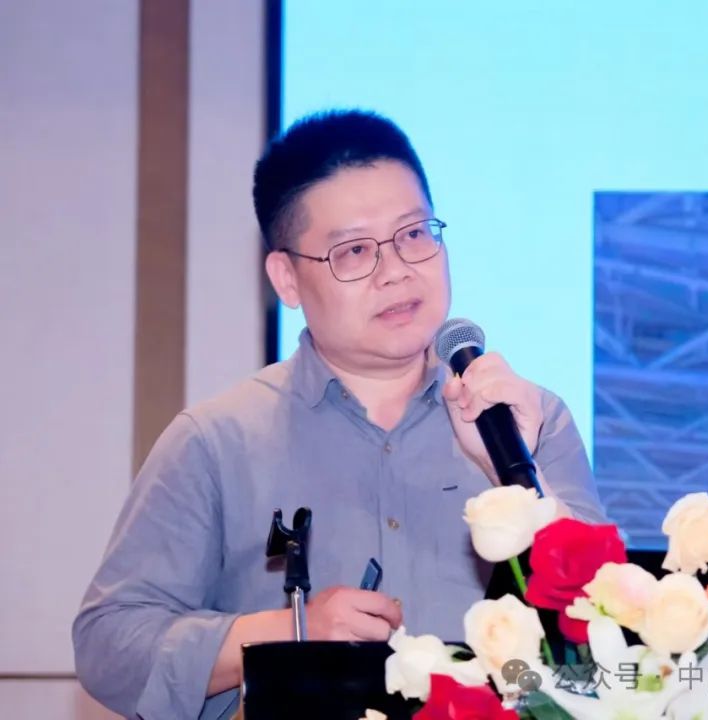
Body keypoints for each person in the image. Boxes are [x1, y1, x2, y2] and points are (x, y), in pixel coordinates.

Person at [73, 109, 605, 720]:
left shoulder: (527, 419)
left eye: (414, 234)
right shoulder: (216, 442)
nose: (397, 270)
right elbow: (109, 646)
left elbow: (612, 630)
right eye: (354, 251)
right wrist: (289, 630)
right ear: (287, 278)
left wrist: (518, 483)